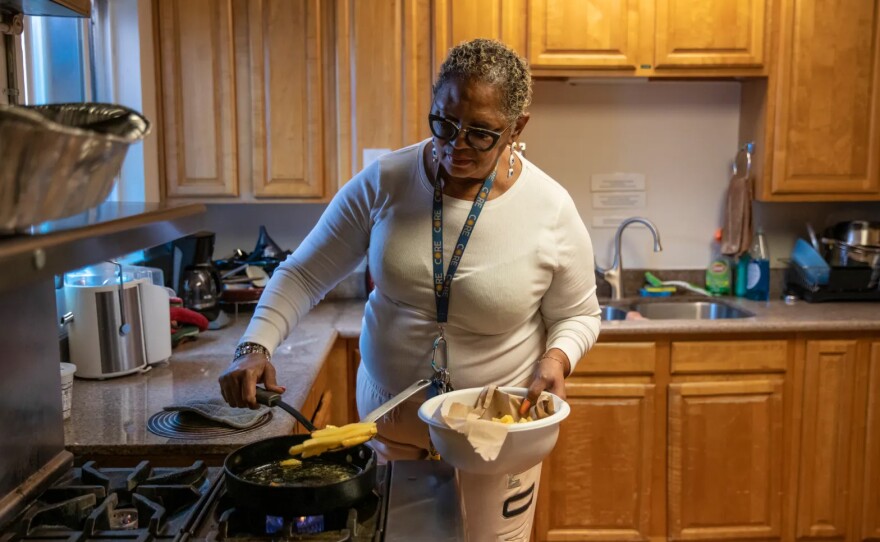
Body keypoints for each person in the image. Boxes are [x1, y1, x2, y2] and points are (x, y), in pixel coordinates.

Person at [219, 38, 601, 541]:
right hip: (388, 426)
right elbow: (305, 272)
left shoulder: (550, 208)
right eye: (444, 123)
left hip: (495, 435)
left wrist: (556, 360)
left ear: (517, 128)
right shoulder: (387, 182)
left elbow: (579, 314)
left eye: (481, 133)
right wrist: (254, 345)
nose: (456, 144)